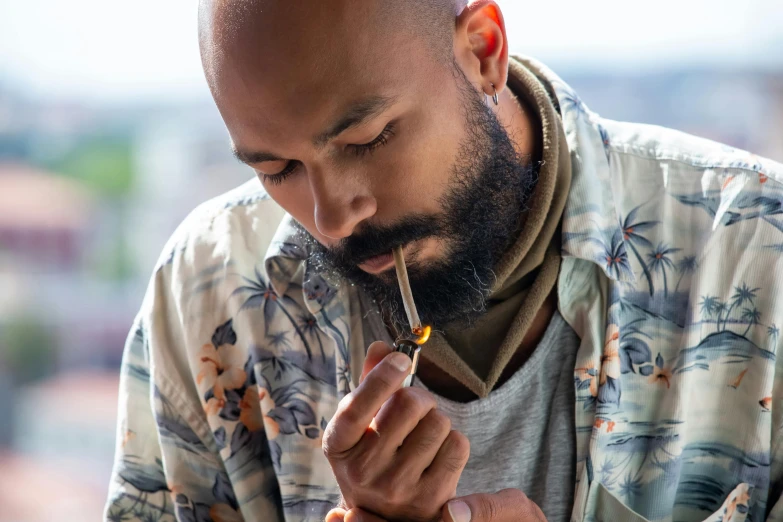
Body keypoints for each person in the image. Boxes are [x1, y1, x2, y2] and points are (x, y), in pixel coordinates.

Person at [105, 0, 783, 521]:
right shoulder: (209, 288)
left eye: (367, 139)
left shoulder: (757, 251)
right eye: (277, 168)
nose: (332, 216)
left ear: (482, 51)